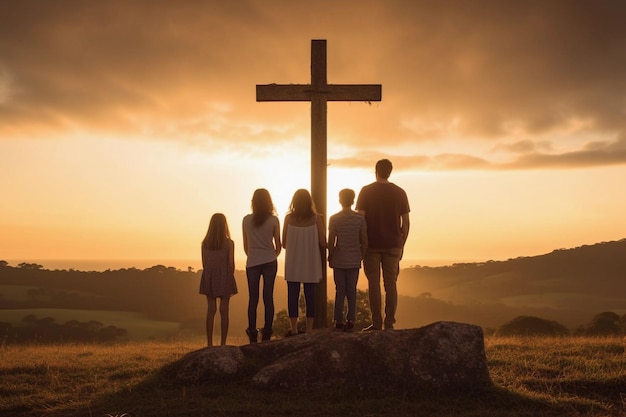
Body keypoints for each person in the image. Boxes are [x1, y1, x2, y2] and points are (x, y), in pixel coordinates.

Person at [356, 159, 410, 331]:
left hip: (371, 244)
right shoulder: (400, 192)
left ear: (375, 171)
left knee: (374, 283)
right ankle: (389, 323)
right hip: (394, 244)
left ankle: (376, 323)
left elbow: (360, 219)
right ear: (390, 172)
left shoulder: (366, 191)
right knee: (391, 284)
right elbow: (406, 222)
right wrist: (402, 244)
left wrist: (361, 243)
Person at [282, 189, 326, 336]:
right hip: (311, 261)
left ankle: (294, 329)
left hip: (293, 261)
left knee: (292, 295)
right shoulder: (316, 218)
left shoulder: (288, 219)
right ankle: (309, 330)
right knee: (310, 295)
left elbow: (284, 243)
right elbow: (322, 241)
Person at [242, 188, 282, 343]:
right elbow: (278, 245)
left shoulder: (246, 220)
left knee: (253, 298)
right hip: (269, 261)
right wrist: (271, 255)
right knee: (268, 297)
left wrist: (253, 255)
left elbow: (246, 245)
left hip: (252, 261)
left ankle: (252, 332)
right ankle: (267, 331)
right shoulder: (273, 220)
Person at [328, 188, 368, 332]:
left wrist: (330, 256)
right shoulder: (360, 219)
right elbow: (364, 240)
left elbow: (331, 240)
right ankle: (351, 319)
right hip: (354, 258)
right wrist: (360, 255)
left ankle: (338, 320)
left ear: (340, 200)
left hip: (339, 258)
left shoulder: (334, 218)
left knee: (340, 290)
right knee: (352, 290)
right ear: (353, 200)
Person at [200, 213, 238, 346]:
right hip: (225, 276)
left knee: (211, 310)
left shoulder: (205, 243)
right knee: (224, 310)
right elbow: (231, 263)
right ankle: (223, 343)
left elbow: (204, 263)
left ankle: (209, 343)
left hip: (209, 276)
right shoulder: (229, 243)